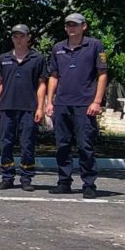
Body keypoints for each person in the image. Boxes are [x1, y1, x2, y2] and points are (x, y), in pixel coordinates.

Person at [46, 12, 108, 199]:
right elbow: (53, 76)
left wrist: (97, 101)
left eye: (75, 25)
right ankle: (64, 182)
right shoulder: (58, 48)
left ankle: (89, 184)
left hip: (85, 104)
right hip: (62, 103)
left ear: (84, 26)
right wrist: (50, 102)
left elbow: (102, 74)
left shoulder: (95, 45)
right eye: (68, 25)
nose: (71, 28)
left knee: (85, 145)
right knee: (62, 145)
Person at [0, 24, 47, 191]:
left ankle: (26, 178)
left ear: (28, 37)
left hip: (29, 108)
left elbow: (42, 84)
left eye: (22, 36)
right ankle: (7, 176)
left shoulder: (38, 59)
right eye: (15, 36)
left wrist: (40, 108)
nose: (18, 39)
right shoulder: (3, 58)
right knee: (6, 143)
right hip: (7, 107)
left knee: (27, 144)